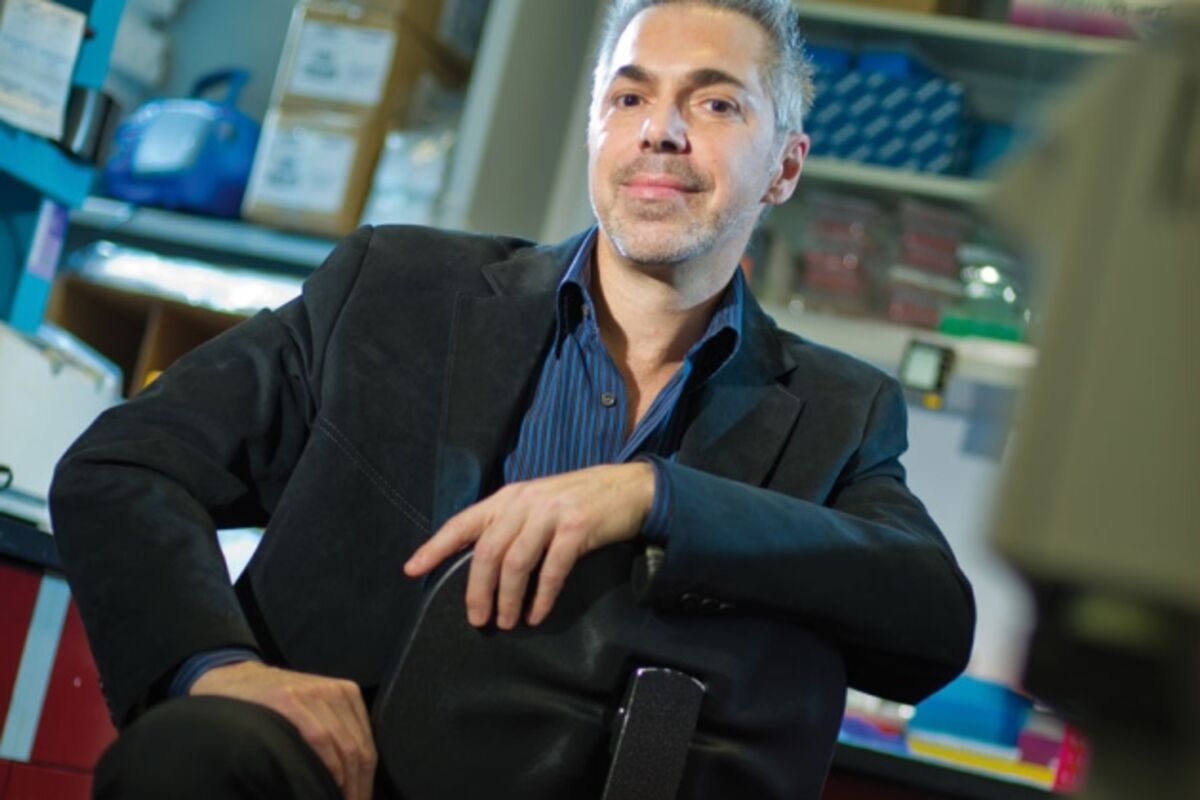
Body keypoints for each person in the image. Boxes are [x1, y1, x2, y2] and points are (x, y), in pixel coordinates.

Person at [50, 1, 976, 798]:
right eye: (630, 97)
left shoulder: (836, 412)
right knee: (190, 754)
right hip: (336, 773)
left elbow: (930, 622)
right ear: (597, 131)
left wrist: (655, 498)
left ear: (785, 167)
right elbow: (126, 466)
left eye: (717, 103)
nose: (660, 129)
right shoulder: (395, 290)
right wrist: (216, 667)